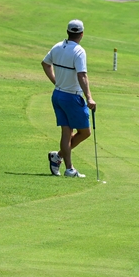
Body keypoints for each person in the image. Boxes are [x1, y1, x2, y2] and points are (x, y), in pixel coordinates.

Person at [41, 19, 96, 178]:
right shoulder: (79, 51)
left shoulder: (58, 46)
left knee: (66, 132)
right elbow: (82, 75)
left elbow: (45, 64)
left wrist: (56, 82)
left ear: (68, 32)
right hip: (72, 97)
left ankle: (66, 165)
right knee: (85, 132)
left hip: (57, 95)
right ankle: (61, 159)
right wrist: (89, 97)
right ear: (82, 34)